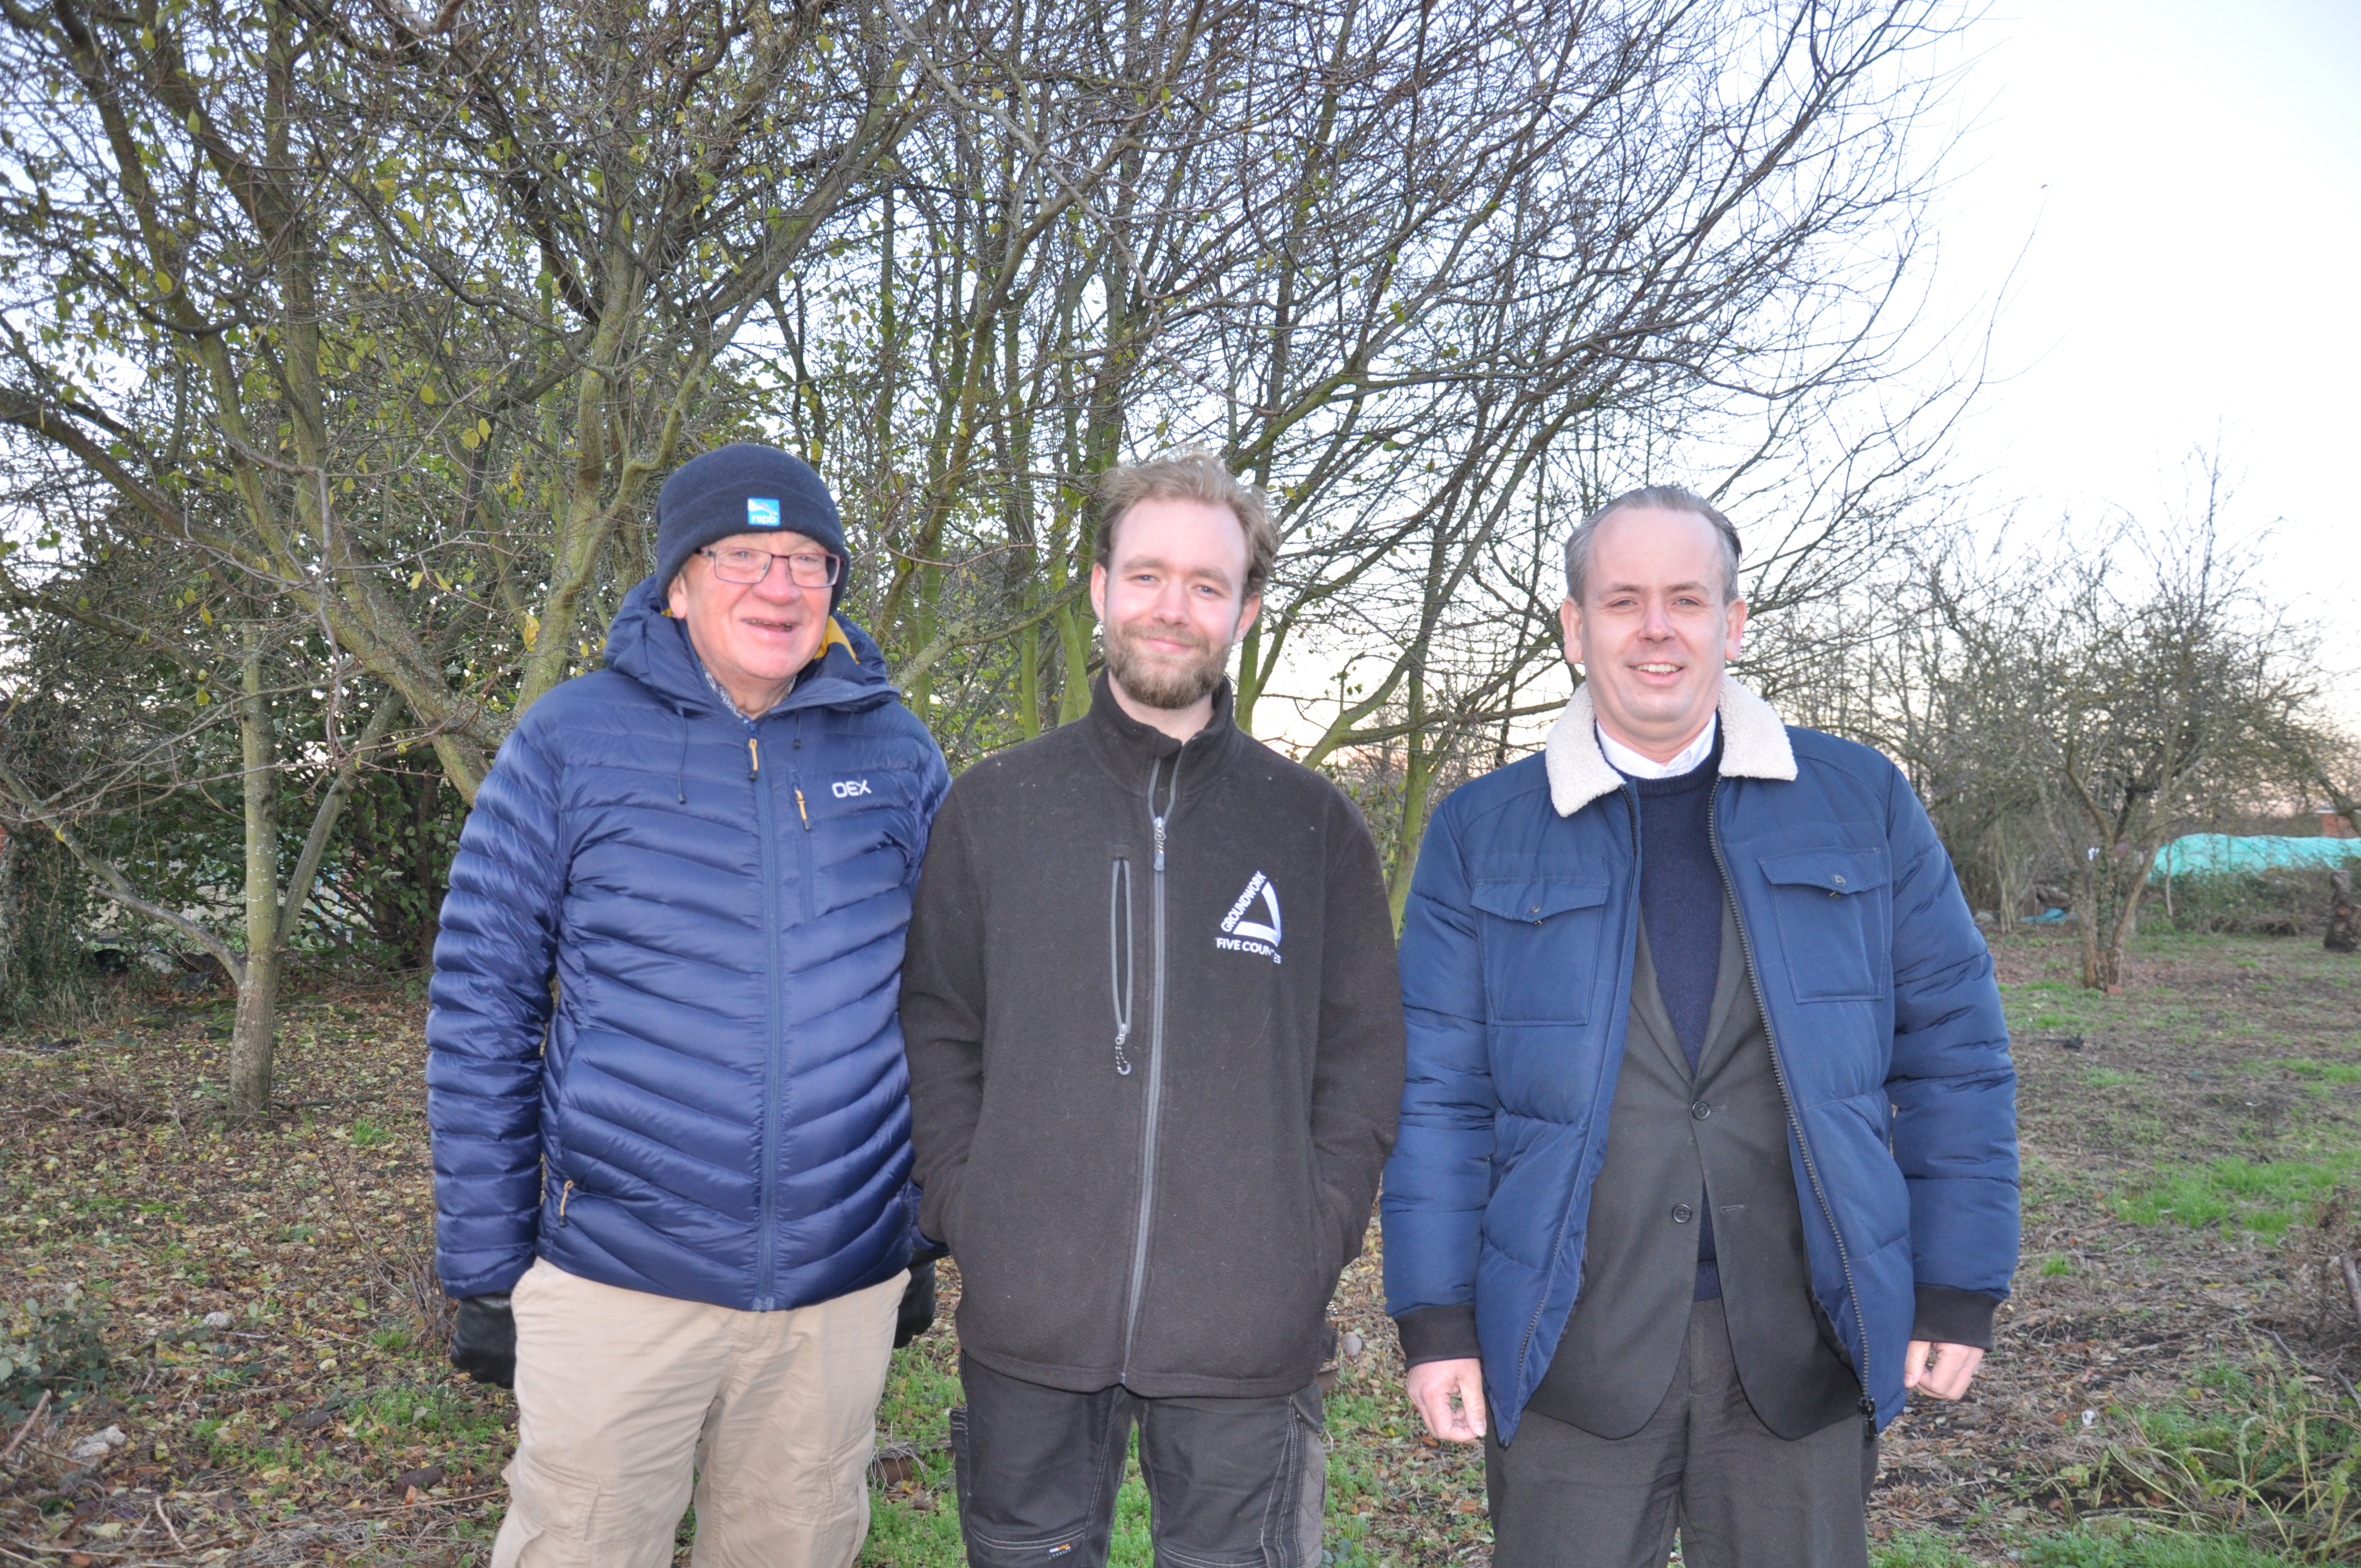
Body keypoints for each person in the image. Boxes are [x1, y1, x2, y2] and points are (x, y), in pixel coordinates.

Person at [1380, 486, 2019, 1567]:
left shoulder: (1858, 801)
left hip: (1799, 1341)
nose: (1655, 627)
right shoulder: (1480, 829)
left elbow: (1952, 1055)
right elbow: (1435, 1089)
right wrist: (1435, 1316)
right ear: (1574, 628)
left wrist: (1956, 1285)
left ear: (1731, 622)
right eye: (1621, 600)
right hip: (1568, 1339)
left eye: (1686, 598)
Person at [425, 443, 950, 1568]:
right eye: (744, 555)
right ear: (676, 582)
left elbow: (947, 1004)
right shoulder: (569, 740)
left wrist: (913, 1232)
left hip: (832, 1289)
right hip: (618, 1278)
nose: (780, 585)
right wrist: (482, 1262)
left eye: (808, 558)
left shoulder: (896, 751)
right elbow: (482, 998)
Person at [898, 452, 1406, 1568]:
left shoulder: (1312, 827)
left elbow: (1363, 1063)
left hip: (1245, 1338)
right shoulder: (993, 807)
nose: (1171, 608)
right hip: (1028, 1324)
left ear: (1247, 609)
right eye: (1145, 575)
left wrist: (1306, 1239)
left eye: (1206, 583)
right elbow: (939, 1024)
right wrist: (968, 1205)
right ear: (1097, 586)